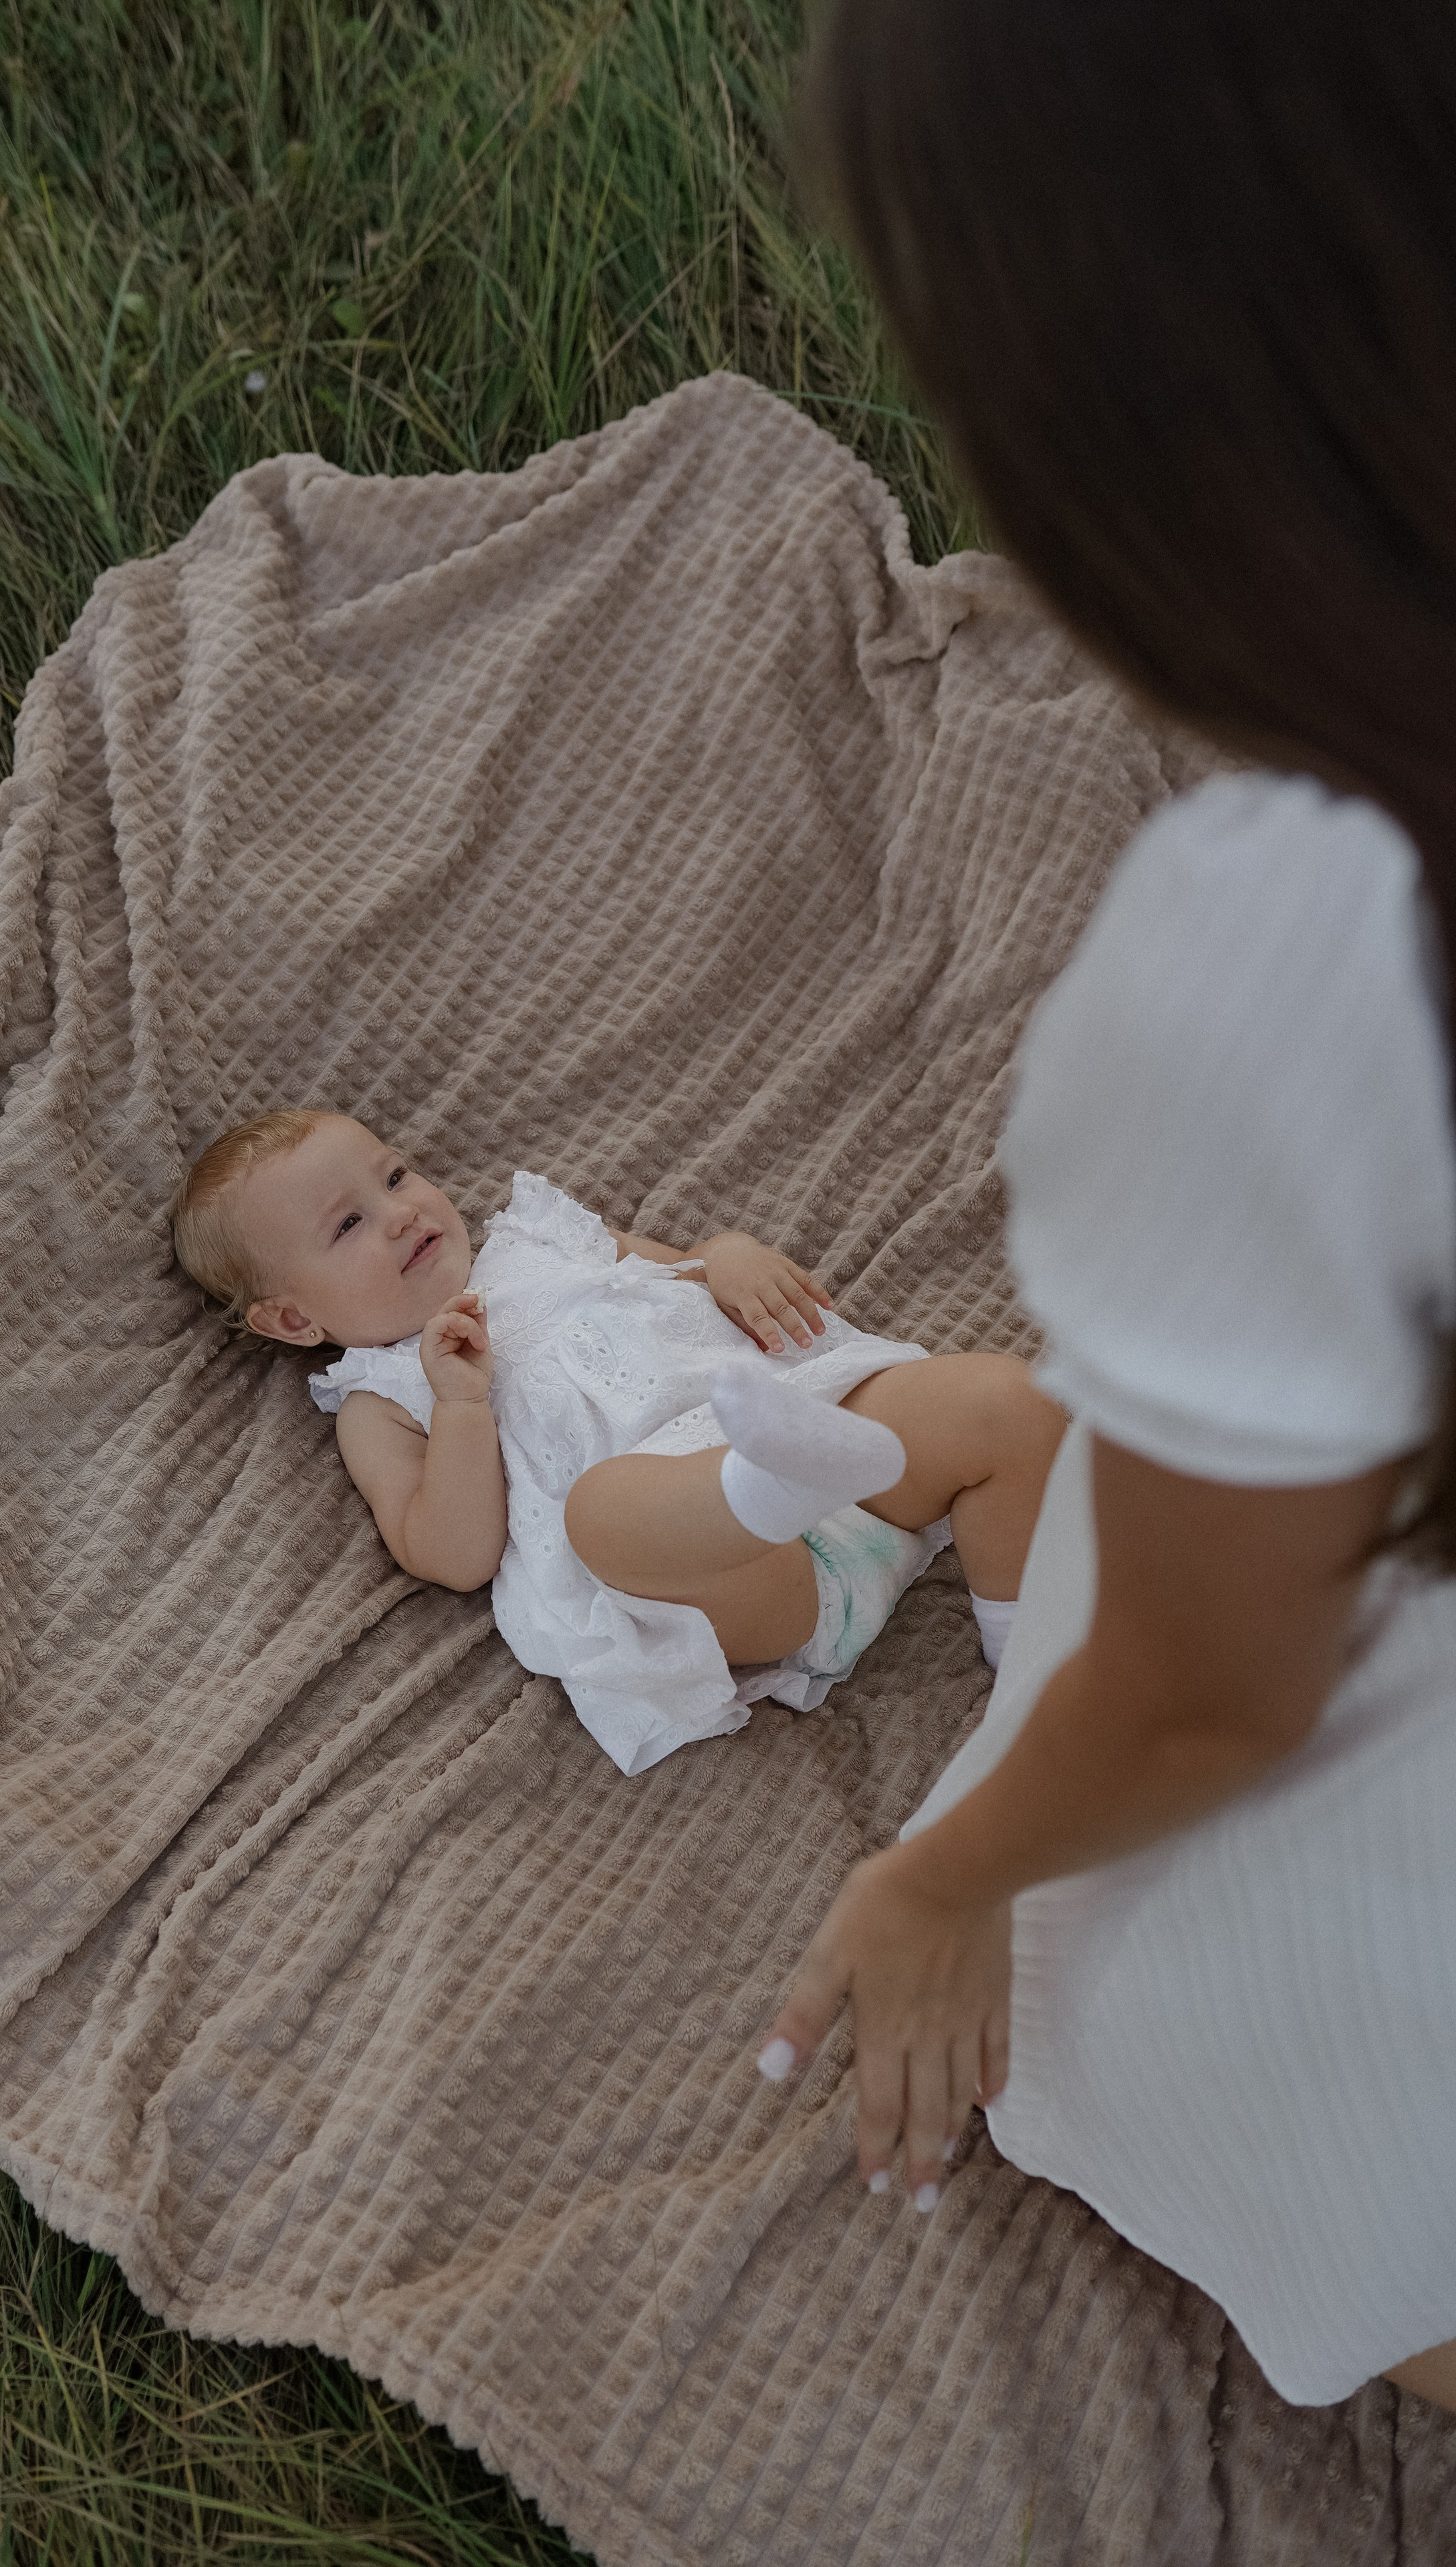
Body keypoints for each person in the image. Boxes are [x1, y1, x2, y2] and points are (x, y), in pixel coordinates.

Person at [755, 0, 1456, 2414]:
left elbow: (1207, 1685)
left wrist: (941, 1878)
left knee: (1266, 2063)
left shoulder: (1290, 968)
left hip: (1364, 1798)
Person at [169, 1108, 1062, 1776]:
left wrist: (727, 1256)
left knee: (1003, 1397)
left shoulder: (540, 1238)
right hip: (746, 1578)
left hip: (835, 1446)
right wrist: (463, 1407)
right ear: (292, 1317)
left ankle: (1031, 1651)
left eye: (394, 1177)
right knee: (604, 1514)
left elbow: (681, 1270)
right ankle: (761, 1488)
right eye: (348, 1225)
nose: (399, 1213)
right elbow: (452, 1554)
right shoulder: (382, 1396)